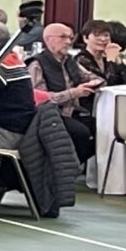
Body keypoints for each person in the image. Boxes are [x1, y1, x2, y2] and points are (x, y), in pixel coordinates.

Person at [27, 21, 101, 163]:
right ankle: (66, 168)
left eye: (70, 37)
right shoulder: (37, 64)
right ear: (48, 39)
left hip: (74, 111)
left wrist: (93, 84)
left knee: (104, 131)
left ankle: (71, 166)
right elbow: (41, 99)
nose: (68, 42)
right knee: (81, 133)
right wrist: (74, 93)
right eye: (63, 37)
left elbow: (93, 77)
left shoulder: (69, 61)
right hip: (51, 115)